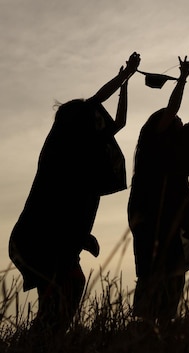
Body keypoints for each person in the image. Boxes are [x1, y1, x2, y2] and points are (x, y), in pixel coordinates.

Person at [9, 52, 141, 334]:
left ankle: (45, 340)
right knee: (62, 292)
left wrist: (127, 84)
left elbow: (119, 123)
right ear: (77, 121)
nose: (97, 122)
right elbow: (96, 100)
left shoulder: (81, 148)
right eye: (91, 117)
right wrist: (124, 74)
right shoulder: (64, 146)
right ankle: (41, 340)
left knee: (64, 294)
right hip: (44, 236)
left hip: (56, 237)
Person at [128, 56, 189, 323]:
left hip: (172, 212)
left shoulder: (172, 152)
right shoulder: (153, 143)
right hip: (151, 211)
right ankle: (145, 323)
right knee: (153, 270)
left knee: (174, 271)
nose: (177, 126)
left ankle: (164, 322)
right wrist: (183, 78)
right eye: (173, 125)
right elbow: (172, 110)